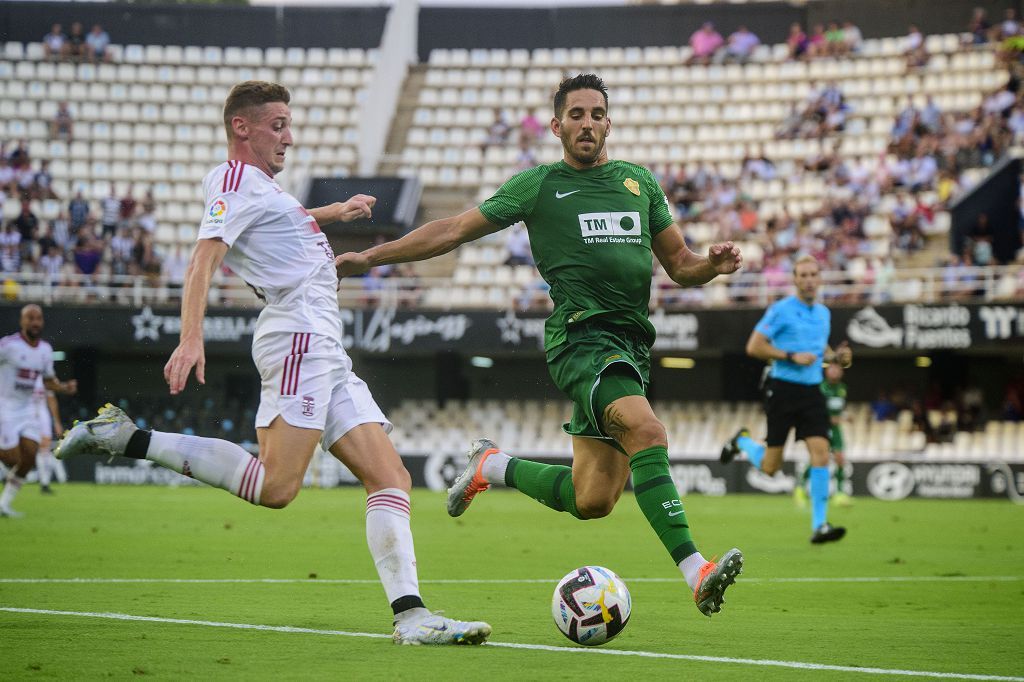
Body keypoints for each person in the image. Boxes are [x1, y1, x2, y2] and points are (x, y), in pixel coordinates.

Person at [55, 80, 490, 646]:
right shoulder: (235, 180)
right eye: (278, 124)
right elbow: (201, 261)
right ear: (243, 127)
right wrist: (191, 338)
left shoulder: (255, 189)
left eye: (289, 124)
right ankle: (126, 438)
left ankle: (412, 618)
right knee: (276, 485)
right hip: (299, 337)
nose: (290, 136)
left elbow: (276, 222)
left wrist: (336, 211)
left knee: (391, 476)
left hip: (325, 346)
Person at [335, 73, 745, 618]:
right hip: (581, 340)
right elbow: (455, 229)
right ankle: (696, 572)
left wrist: (711, 267)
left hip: (631, 348)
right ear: (557, 125)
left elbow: (680, 264)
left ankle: (492, 466)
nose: (587, 123)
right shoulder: (539, 185)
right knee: (647, 430)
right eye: (576, 114)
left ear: (608, 123)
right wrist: (371, 258)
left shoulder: (639, 183)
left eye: (596, 114)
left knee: (592, 500)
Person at [719, 255, 852, 544]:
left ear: (819, 279)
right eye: (802, 275)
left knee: (821, 452)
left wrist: (835, 358)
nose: (808, 279)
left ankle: (820, 525)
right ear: (795, 279)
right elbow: (754, 347)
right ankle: (742, 441)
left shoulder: (823, 314)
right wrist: (790, 356)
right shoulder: (780, 310)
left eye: (813, 274)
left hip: (813, 392)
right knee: (770, 467)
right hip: (783, 390)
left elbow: (819, 350)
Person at [0, 304, 77, 516]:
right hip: (4, 407)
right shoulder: (8, 346)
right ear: (22, 321)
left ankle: (3, 505)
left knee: (30, 458)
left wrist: (63, 387)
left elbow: (47, 381)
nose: (35, 322)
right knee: (11, 459)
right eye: (30, 318)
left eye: (38, 318)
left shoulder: (45, 350)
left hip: (26, 410)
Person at [794, 362, 852, 508]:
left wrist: (845, 416)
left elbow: (838, 409)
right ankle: (800, 488)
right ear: (826, 371)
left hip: (836, 429)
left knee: (840, 458)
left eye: (837, 368)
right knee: (818, 458)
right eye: (831, 368)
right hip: (821, 428)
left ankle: (839, 494)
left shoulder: (842, 389)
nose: (835, 371)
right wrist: (827, 418)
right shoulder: (820, 387)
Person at [31, 373, 67, 494]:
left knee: (44, 447)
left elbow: (51, 398)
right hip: (22, 412)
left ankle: (44, 483)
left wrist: (56, 422)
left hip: (41, 413)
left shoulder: (45, 376)